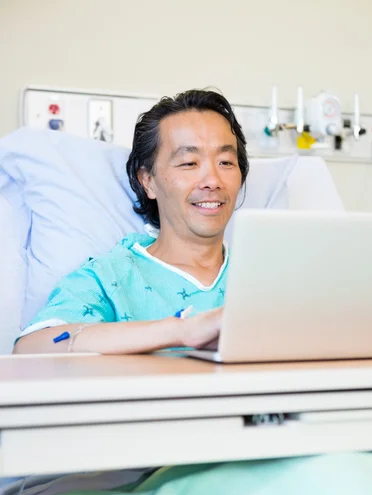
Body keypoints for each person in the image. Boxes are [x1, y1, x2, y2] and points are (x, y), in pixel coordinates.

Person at [14, 89, 249, 355]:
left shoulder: (267, 275)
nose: (213, 181)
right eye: (188, 163)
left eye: (226, 162)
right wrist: (181, 331)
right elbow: (31, 347)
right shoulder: (113, 276)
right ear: (147, 181)